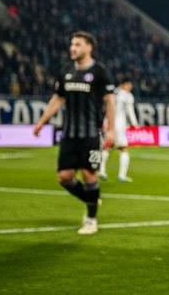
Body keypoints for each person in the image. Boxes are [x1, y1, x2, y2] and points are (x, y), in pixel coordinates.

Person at [32, 31, 115, 235]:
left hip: (91, 134)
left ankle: (91, 220)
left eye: (77, 44)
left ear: (89, 47)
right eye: (71, 44)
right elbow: (57, 99)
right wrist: (42, 121)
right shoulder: (66, 72)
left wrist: (111, 130)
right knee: (64, 177)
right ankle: (91, 199)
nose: (72, 48)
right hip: (69, 134)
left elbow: (110, 101)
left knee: (89, 175)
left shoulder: (100, 72)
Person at [99, 77, 137, 182]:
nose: (130, 87)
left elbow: (104, 107)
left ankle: (101, 171)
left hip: (107, 122)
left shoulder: (111, 93)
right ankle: (122, 176)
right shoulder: (127, 96)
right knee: (123, 148)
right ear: (123, 85)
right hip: (119, 124)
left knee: (107, 147)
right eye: (129, 85)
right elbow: (130, 111)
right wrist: (134, 124)